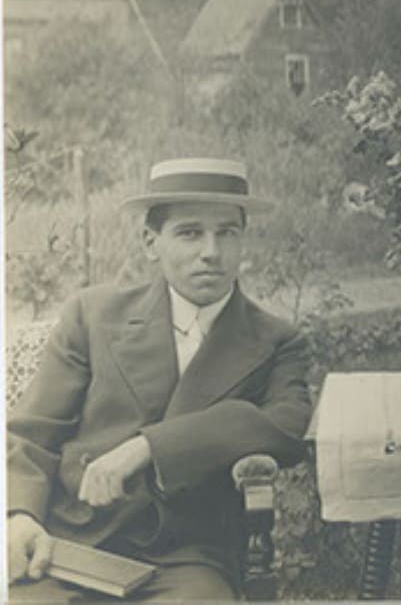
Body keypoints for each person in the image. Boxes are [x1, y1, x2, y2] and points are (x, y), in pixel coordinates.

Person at [7, 158, 313, 601]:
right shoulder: (93, 315)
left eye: (227, 232)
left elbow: (284, 426)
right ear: (151, 242)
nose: (211, 251)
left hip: (188, 556)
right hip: (71, 540)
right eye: (190, 233)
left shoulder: (276, 340)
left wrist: (148, 448)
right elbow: (32, 433)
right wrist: (19, 516)